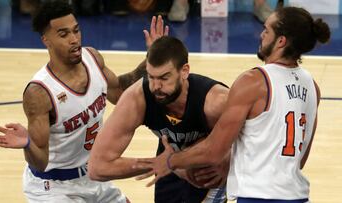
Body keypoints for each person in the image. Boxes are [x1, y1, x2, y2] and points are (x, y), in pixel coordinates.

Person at [134, 7, 331, 202]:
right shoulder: (313, 87)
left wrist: (170, 161)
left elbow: (213, 151)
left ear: (281, 41)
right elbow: (301, 159)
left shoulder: (253, 81)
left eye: (267, 30)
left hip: (258, 197)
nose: (261, 35)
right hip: (299, 196)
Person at [0, 0, 168, 202]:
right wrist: (27, 144)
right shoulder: (39, 93)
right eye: (64, 34)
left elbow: (119, 92)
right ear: (46, 40)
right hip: (54, 187)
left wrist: (152, 57)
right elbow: (40, 161)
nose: (74, 39)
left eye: (76, 31)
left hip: (92, 176)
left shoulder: (92, 58)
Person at [88, 36, 230, 203]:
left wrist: (228, 159)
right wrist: (158, 163)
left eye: (164, 78)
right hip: (169, 167)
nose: (155, 86)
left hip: (209, 171)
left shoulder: (216, 101)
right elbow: (97, 167)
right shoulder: (137, 98)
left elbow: (257, 137)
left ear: (184, 71)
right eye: (151, 77)